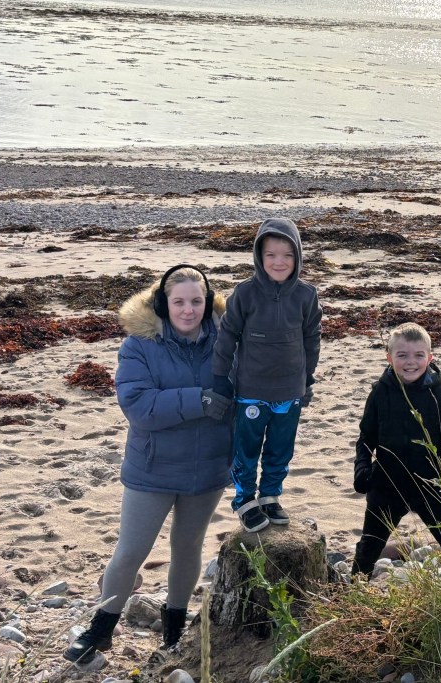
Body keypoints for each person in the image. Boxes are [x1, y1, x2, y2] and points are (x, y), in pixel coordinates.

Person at [64, 265, 233, 665]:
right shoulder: (138, 345)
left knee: (188, 547)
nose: (188, 310)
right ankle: (101, 628)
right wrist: (201, 400)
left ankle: (174, 629)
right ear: (163, 303)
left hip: (208, 467)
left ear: (208, 303)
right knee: (131, 551)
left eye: (197, 301)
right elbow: (138, 406)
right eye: (179, 302)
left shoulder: (229, 342)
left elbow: (248, 385)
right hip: (152, 469)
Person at [212, 217, 322, 533]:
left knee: (280, 448)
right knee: (247, 448)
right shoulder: (245, 294)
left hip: (289, 390)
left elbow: (311, 338)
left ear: (298, 257)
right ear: (259, 256)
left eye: (287, 255)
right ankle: (245, 500)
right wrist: (220, 379)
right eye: (271, 254)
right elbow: (227, 337)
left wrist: (307, 378)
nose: (279, 262)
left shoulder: (306, 295)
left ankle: (270, 496)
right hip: (250, 389)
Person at [351, 322, 441, 576]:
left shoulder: (439, 394)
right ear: (389, 357)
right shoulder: (379, 393)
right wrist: (362, 469)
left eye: (419, 355)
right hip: (387, 481)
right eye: (402, 355)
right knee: (370, 546)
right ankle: (351, 590)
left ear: (430, 357)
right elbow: (365, 439)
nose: (411, 362)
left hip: (431, 480)